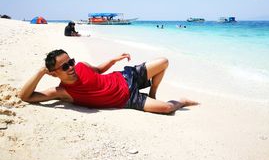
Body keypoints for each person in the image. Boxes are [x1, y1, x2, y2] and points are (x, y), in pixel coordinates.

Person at [19, 49, 198, 114]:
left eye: (70, 62)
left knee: (163, 61)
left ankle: (153, 92)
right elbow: (25, 97)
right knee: (167, 108)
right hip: (127, 100)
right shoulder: (61, 92)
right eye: (64, 67)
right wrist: (41, 72)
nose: (71, 67)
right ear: (54, 73)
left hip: (125, 77)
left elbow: (98, 70)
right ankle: (182, 101)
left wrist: (114, 60)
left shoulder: (81, 66)